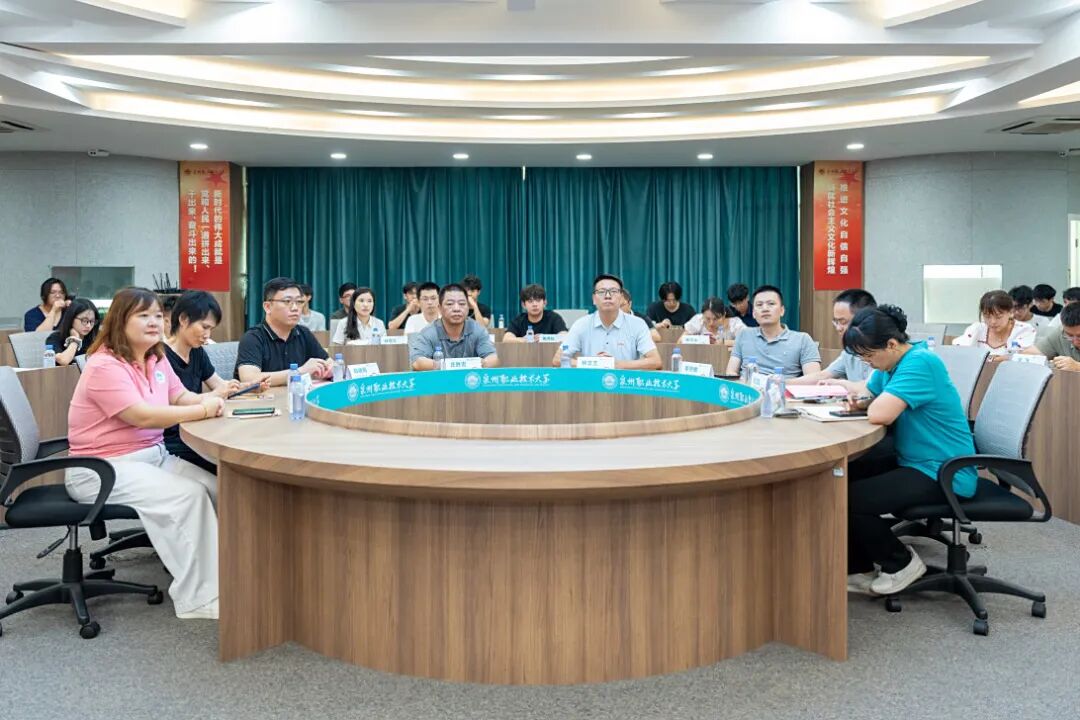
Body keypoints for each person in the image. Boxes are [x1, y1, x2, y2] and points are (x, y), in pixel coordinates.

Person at [64, 287, 224, 620]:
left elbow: (180, 397)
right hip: (101, 467)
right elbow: (142, 416)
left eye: (157, 315)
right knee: (189, 497)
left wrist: (217, 399)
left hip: (152, 456)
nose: (154, 322)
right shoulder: (104, 364)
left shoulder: (156, 357)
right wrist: (203, 410)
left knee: (220, 489)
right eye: (143, 315)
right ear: (120, 320)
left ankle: (229, 578)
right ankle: (201, 598)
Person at [840, 305, 977, 596]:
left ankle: (901, 563)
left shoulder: (920, 362)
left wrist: (869, 403)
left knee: (852, 498)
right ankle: (860, 567)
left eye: (868, 355)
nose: (867, 363)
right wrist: (865, 401)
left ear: (891, 344)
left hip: (944, 470)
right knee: (841, 477)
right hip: (914, 459)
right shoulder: (892, 364)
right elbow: (869, 394)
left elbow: (880, 413)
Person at [164, 291, 265, 473]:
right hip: (175, 437)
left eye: (211, 329)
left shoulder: (197, 352)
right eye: (204, 327)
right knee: (232, 464)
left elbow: (219, 385)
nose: (207, 335)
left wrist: (244, 387)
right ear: (183, 319)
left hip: (199, 425)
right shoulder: (161, 357)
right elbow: (168, 405)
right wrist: (215, 394)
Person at [236, 277, 331, 385]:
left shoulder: (303, 333)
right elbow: (249, 378)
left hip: (295, 394)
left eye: (299, 302)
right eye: (287, 301)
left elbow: (328, 362)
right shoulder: (253, 337)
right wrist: (299, 372)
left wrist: (329, 369)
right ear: (267, 307)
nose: (295, 308)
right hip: (267, 396)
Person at [555, 274, 662, 369]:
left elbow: (656, 361)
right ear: (594, 299)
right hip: (590, 382)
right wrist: (594, 364)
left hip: (623, 382)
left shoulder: (637, 324)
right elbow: (558, 360)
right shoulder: (581, 324)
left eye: (613, 291)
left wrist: (616, 364)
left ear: (621, 297)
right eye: (601, 292)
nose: (607, 296)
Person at [788, 288, 877, 389]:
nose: (838, 328)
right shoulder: (849, 351)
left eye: (843, 322)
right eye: (836, 322)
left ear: (864, 319)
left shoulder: (881, 349)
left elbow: (873, 387)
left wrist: (840, 383)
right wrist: (781, 382)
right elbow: (822, 376)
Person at [725, 285, 821, 378]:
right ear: (754, 313)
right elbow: (731, 372)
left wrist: (777, 382)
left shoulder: (802, 339)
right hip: (748, 387)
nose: (765, 309)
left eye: (771, 304)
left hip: (784, 388)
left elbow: (814, 378)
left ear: (782, 310)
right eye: (759, 305)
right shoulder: (744, 335)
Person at [409, 283, 499, 370]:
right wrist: (450, 366)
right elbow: (417, 362)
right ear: (439, 308)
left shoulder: (477, 330)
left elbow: (493, 358)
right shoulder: (429, 332)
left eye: (462, 304)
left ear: (468, 308)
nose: (457, 309)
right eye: (450, 304)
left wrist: (481, 363)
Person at [952, 289, 1036, 360]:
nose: (992, 322)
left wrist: (996, 359)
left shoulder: (1024, 330)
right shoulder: (977, 329)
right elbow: (958, 351)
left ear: (1011, 312)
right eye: (987, 316)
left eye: (998, 317)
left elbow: (1023, 356)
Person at [1025, 302, 1080, 372]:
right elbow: (1030, 354)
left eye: (1079, 336)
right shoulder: (1060, 332)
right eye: (1070, 335)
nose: (1075, 342)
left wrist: (1077, 367)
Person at [503, 284, 568, 342]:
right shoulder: (519, 320)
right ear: (523, 305)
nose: (534, 304)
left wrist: (544, 338)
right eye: (530, 301)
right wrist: (524, 340)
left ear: (544, 303)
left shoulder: (554, 318)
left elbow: (565, 337)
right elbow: (506, 339)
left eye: (538, 300)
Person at [46, 298, 99, 367]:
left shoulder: (97, 339)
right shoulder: (55, 337)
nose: (88, 325)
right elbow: (63, 360)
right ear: (71, 318)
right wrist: (75, 340)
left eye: (92, 321)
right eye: (84, 320)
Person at [680, 297, 746, 342]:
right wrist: (701, 340)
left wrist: (723, 343)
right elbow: (680, 341)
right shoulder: (698, 320)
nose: (711, 323)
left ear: (724, 315)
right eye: (708, 319)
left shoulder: (735, 324)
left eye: (716, 319)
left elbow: (746, 342)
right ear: (702, 315)